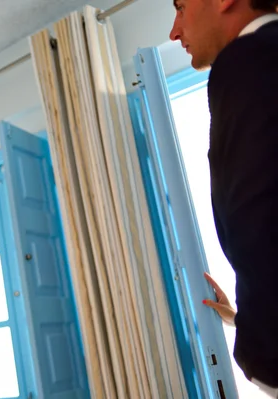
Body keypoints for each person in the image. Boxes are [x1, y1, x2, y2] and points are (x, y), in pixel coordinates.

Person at [169, 0, 278, 393]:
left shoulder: (247, 60)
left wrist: (260, 335)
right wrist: (240, 315)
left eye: (180, 7)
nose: (174, 30)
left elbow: (253, 219)